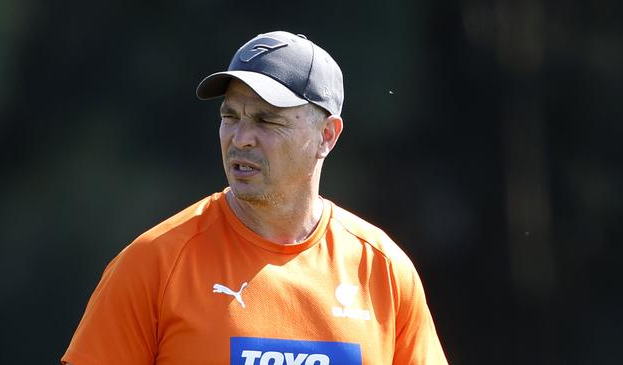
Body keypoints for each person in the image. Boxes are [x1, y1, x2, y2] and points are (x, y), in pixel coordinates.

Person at [61, 30, 447, 365]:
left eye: (266, 120)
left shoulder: (382, 270)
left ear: (326, 136)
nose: (241, 137)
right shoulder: (153, 263)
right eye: (231, 117)